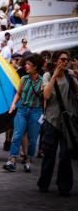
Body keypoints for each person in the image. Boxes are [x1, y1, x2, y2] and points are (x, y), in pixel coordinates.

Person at [38, 51, 78, 197]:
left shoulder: (69, 74)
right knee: (49, 154)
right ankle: (44, 183)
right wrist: (55, 75)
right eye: (62, 59)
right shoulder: (48, 75)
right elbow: (47, 95)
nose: (65, 62)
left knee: (65, 156)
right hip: (51, 120)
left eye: (67, 59)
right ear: (55, 61)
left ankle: (64, 186)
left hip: (67, 122)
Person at [3, 53, 44, 173]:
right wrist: (13, 104)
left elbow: (45, 98)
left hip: (36, 112)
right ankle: (12, 160)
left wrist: (44, 114)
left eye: (28, 64)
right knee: (17, 135)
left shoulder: (42, 82)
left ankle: (28, 160)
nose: (25, 66)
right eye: (25, 64)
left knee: (32, 140)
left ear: (35, 66)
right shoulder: (23, 79)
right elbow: (19, 93)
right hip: (22, 109)